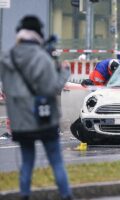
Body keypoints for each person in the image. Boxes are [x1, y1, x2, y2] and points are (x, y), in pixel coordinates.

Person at [0, 16, 72, 200]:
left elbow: (6, 89)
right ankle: (65, 196)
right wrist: (64, 72)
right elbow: (52, 88)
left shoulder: (7, 57)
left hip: (21, 123)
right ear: (38, 33)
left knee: (26, 162)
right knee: (56, 161)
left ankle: (24, 196)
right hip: (44, 118)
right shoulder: (42, 57)